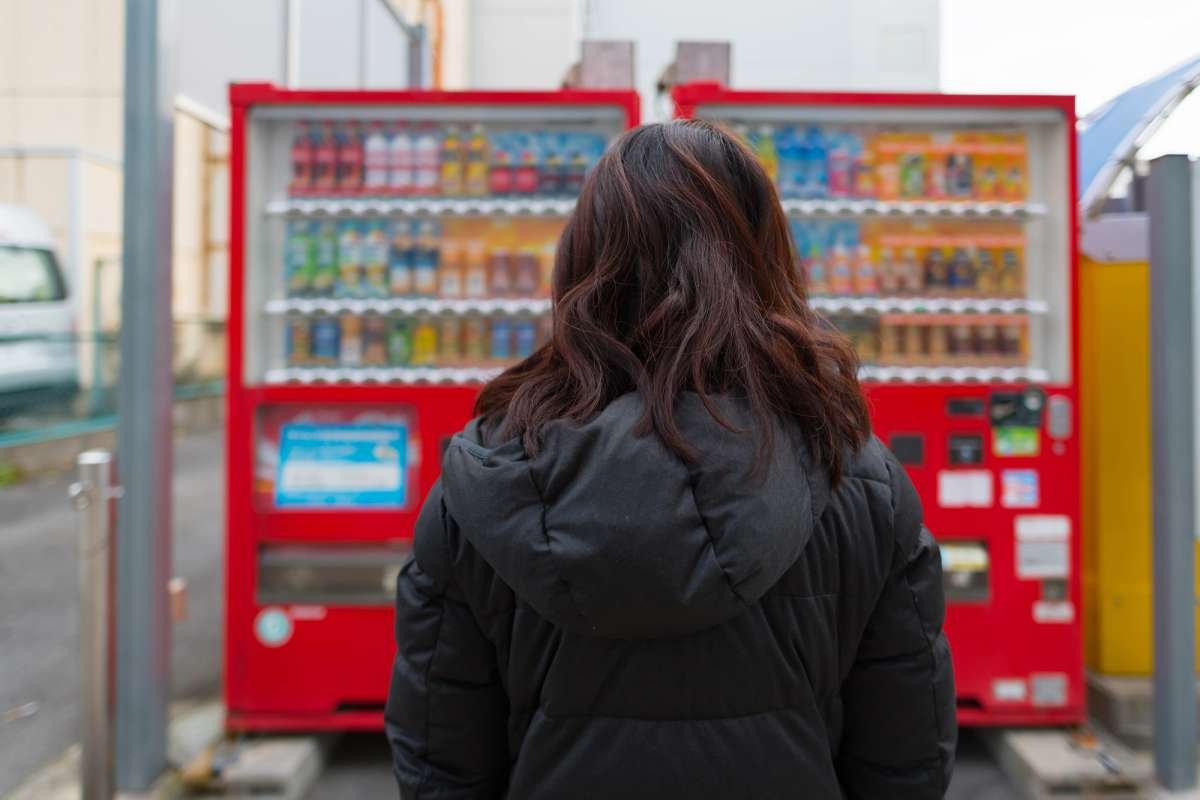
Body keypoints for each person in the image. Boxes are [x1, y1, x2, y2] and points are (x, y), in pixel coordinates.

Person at [385, 120, 956, 799]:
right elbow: (905, 761)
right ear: (768, 260)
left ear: (581, 264)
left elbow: (440, 766)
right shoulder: (856, 478)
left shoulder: (487, 480)